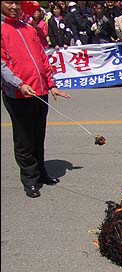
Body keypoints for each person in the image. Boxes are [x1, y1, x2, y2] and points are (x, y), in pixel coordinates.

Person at [1, 0, 71, 198]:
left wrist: (52, 85)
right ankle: (30, 179)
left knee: (38, 135)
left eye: (17, 3)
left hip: (39, 92)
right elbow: (2, 65)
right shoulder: (2, 29)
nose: (14, 7)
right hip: (18, 94)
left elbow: (42, 58)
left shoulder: (29, 29)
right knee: (24, 139)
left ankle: (41, 173)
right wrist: (19, 84)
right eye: (8, 2)